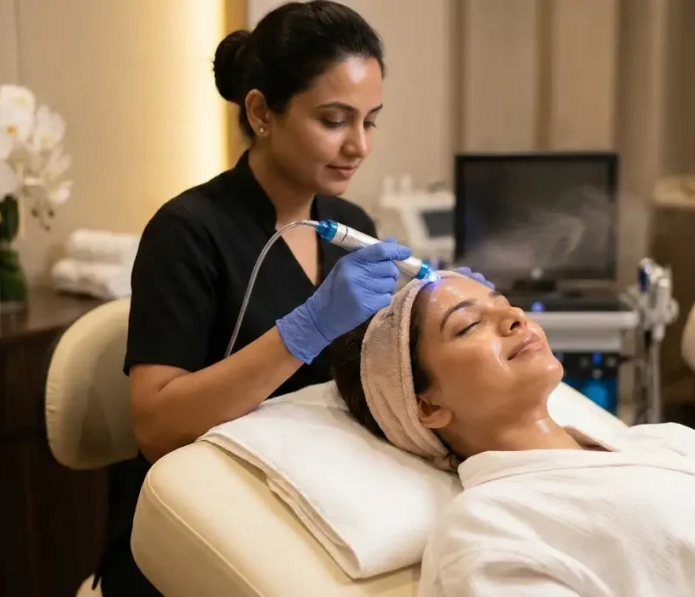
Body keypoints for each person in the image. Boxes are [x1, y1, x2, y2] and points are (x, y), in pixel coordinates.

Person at [94, 3, 488, 594]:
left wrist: (447, 310)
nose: (359, 146)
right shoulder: (187, 233)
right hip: (205, 523)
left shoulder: (349, 222)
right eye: (334, 120)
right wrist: (303, 329)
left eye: (371, 121)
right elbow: (156, 426)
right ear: (260, 112)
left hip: (321, 506)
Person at [329, 272, 695, 597]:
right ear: (428, 405)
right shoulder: (484, 529)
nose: (516, 317)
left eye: (506, 305)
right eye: (470, 325)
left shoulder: (663, 442)